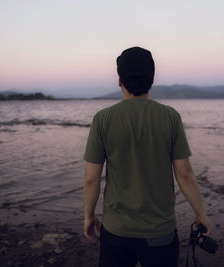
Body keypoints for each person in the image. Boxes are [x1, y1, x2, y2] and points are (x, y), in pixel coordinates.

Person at [83, 46, 212, 267]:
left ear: (119, 79)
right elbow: (185, 174)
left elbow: (91, 178)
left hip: (116, 231)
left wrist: (89, 216)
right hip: (160, 231)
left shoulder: (102, 119)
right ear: (152, 79)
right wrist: (201, 214)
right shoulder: (170, 117)